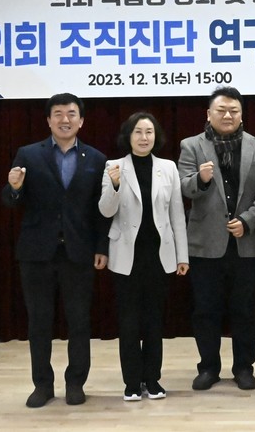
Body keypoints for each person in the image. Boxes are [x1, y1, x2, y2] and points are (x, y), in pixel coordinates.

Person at [1, 93, 110, 408]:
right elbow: (10, 200)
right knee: (39, 322)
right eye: (58, 114)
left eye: (71, 114)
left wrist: (102, 247)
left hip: (79, 252)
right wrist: (14, 188)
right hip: (37, 252)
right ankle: (42, 385)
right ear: (48, 120)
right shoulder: (28, 154)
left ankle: (75, 383)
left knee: (79, 321)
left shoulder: (97, 158)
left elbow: (101, 210)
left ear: (81, 121)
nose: (65, 119)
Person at [178, 86, 255, 391]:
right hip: (205, 244)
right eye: (221, 110)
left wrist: (248, 220)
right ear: (209, 114)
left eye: (234, 110)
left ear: (242, 115)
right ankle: (208, 367)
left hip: (246, 242)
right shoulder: (191, 145)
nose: (228, 115)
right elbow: (183, 187)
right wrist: (201, 179)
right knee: (206, 309)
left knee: (245, 309)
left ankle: (244, 368)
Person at [98, 112, 189, 402]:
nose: (144, 137)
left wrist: (182, 256)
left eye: (149, 132)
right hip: (126, 256)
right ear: (128, 136)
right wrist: (114, 186)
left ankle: (153, 379)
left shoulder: (168, 167)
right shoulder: (114, 166)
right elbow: (105, 210)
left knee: (153, 322)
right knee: (128, 323)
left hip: (159, 255)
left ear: (156, 136)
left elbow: (177, 215)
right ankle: (131, 383)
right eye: (138, 132)